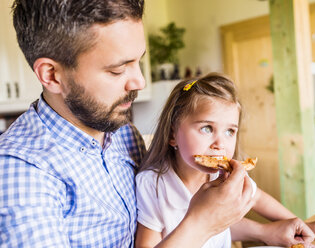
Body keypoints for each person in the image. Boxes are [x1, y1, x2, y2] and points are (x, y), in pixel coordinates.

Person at [0, 0, 256, 247]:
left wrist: (268, 230)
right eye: (117, 70)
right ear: (52, 75)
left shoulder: (124, 134)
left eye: (139, 62)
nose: (140, 82)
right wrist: (201, 223)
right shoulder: (21, 169)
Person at [135, 73, 315, 248]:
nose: (220, 143)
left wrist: (301, 225)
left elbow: (256, 197)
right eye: (207, 128)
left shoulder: (223, 176)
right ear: (172, 134)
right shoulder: (153, 185)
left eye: (230, 131)